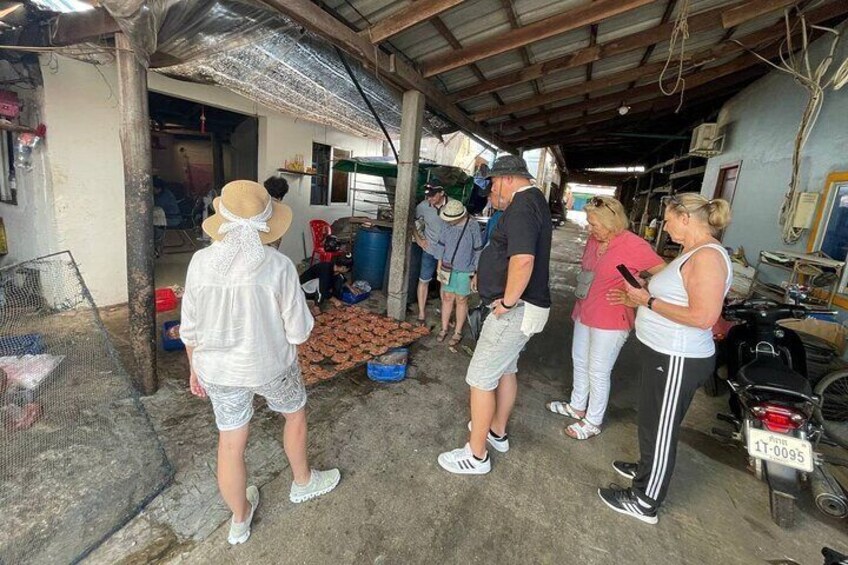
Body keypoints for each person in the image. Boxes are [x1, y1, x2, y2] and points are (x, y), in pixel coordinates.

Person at [180, 180, 340, 546]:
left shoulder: (200, 263)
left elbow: (189, 329)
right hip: (271, 367)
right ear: (266, 227)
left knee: (231, 444)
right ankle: (302, 482)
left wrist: (194, 369)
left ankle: (239, 519)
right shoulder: (278, 267)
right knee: (294, 414)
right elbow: (299, 333)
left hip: (218, 372)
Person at [598, 193, 732, 524]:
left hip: (678, 356)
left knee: (659, 428)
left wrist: (648, 301)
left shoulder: (708, 258)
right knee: (652, 421)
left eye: (669, 219)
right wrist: (648, 290)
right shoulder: (693, 253)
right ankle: (647, 469)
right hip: (664, 353)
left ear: (686, 218)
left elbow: (703, 316)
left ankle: (645, 500)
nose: (665, 225)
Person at [437, 155, 552, 475]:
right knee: (505, 370)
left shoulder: (522, 206)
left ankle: (476, 456)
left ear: (508, 179)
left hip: (515, 309)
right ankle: (497, 432)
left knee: (480, 379)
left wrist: (509, 301)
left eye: (493, 185)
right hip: (525, 306)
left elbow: (523, 260)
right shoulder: (534, 202)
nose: (491, 192)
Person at [545, 196, 665, 440]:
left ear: (612, 223)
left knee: (598, 370)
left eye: (594, 224)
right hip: (585, 310)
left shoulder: (633, 244)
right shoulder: (592, 240)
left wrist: (641, 292)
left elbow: (665, 274)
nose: (589, 229)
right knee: (579, 360)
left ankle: (593, 420)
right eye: (589, 223)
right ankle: (577, 406)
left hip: (612, 318)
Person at [431, 199, 484, 348]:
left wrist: (476, 273)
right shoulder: (445, 223)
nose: (449, 221)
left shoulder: (473, 225)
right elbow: (441, 244)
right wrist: (439, 265)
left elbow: (478, 250)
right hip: (447, 267)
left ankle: (458, 332)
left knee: (461, 299)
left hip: (466, 269)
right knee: (447, 297)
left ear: (461, 215)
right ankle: (444, 328)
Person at [413, 185, 453, 325]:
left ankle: (445, 313)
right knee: (424, 280)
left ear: (442, 192)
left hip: (447, 253)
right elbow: (411, 222)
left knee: (444, 282)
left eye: (433, 196)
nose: (430, 199)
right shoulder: (423, 206)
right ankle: (422, 315)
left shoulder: (453, 205)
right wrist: (419, 239)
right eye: (428, 196)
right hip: (429, 250)